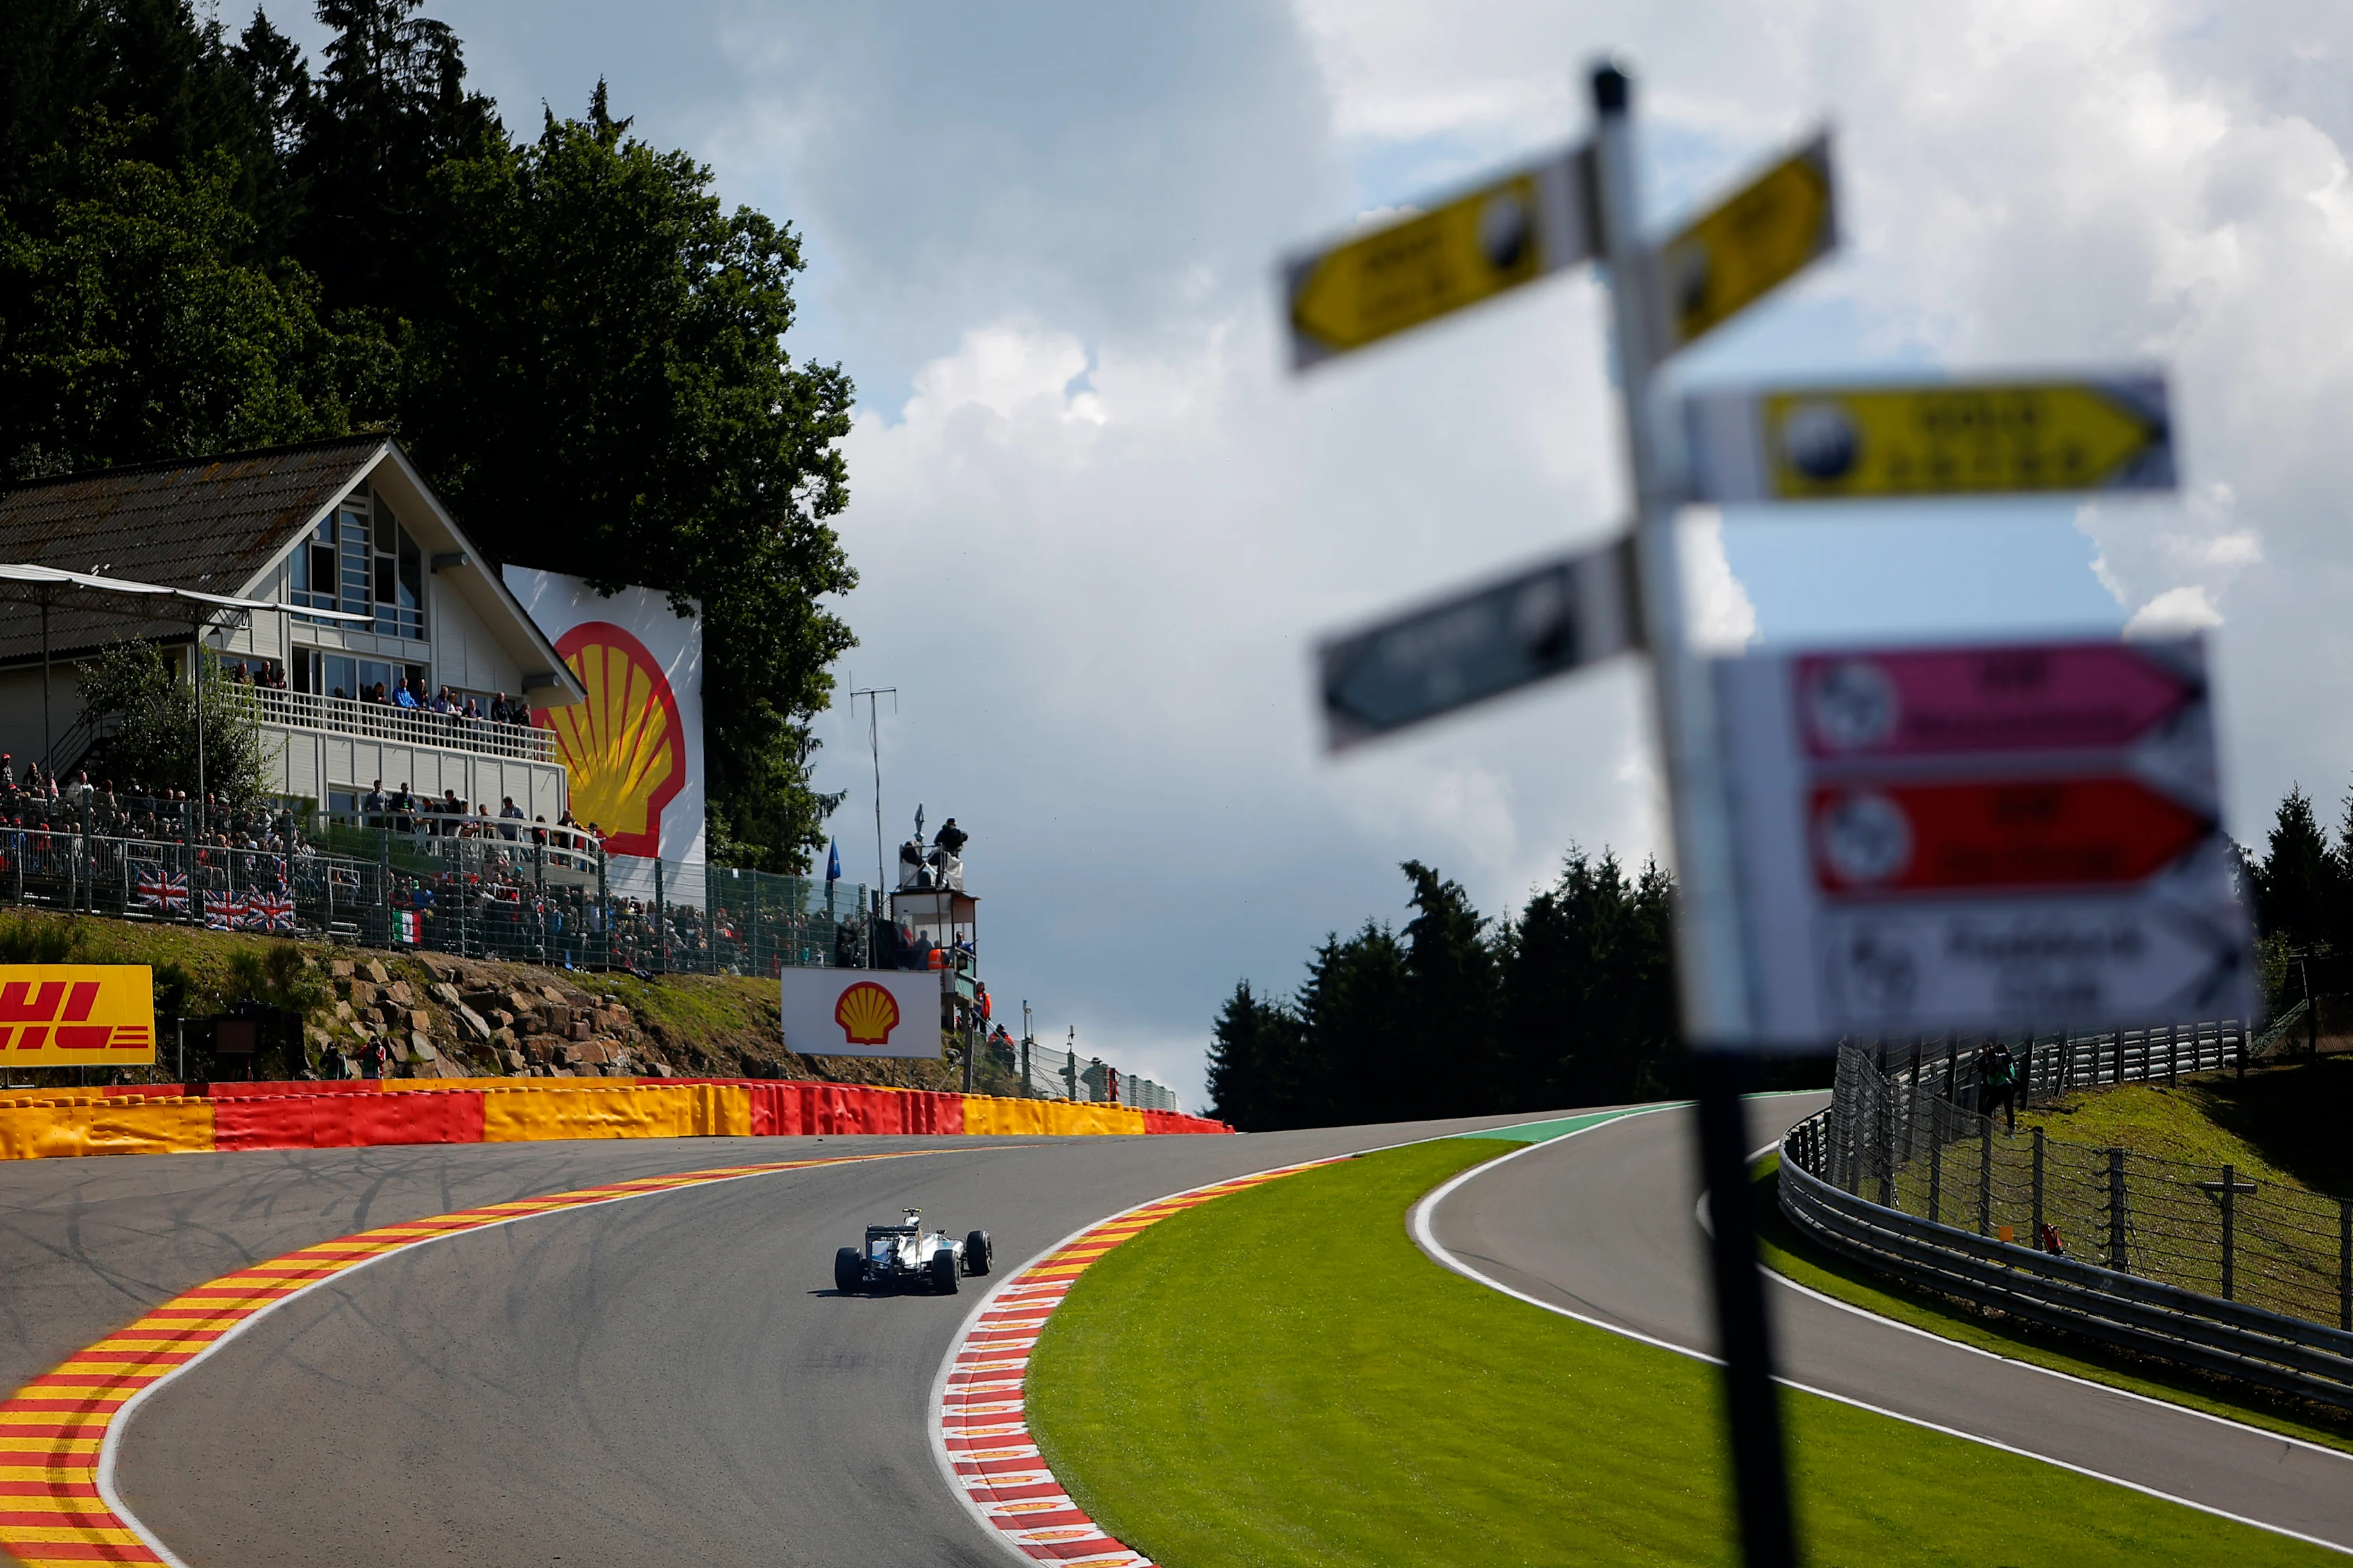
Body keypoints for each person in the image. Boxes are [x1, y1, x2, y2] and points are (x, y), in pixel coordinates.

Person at [1978, 1041, 2018, 1131]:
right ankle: (2011, 1133)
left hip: (2000, 1087)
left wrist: (1987, 1057)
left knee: (1988, 1109)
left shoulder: (1996, 1059)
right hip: (2009, 1086)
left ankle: (1986, 1131)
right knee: (2009, 1110)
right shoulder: (2003, 1058)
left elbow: (1985, 1071)